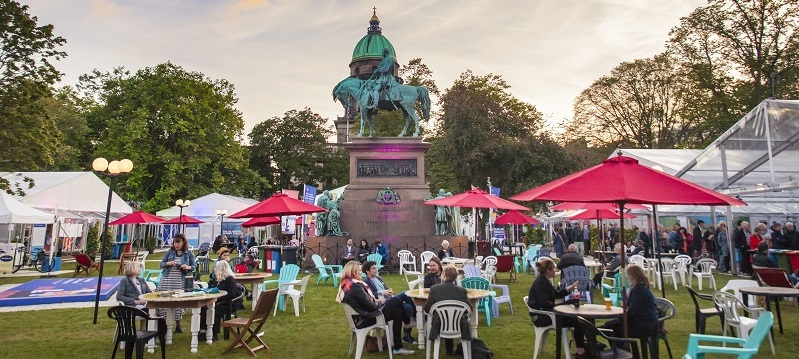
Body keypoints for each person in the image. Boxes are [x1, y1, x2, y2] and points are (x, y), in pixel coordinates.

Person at [336, 261, 415, 355]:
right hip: (367, 318)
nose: (361, 273)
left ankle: (398, 348)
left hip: (359, 318)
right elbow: (370, 306)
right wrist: (380, 302)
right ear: (353, 271)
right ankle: (407, 321)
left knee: (398, 311)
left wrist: (378, 301)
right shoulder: (356, 286)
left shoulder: (346, 284)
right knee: (396, 301)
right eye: (360, 270)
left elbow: (365, 303)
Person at [528, 257, 585, 358]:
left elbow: (557, 294)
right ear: (548, 271)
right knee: (578, 321)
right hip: (541, 317)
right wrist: (562, 304)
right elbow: (545, 303)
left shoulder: (546, 281)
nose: (555, 271)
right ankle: (580, 351)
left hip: (546, 313)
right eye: (553, 269)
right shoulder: (540, 283)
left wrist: (570, 288)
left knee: (578, 319)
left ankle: (582, 348)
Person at [603, 265, 659, 347]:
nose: (627, 277)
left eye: (627, 275)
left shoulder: (638, 290)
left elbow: (633, 311)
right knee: (609, 325)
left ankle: (621, 352)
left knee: (610, 328)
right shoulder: (640, 287)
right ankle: (620, 350)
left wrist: (621, 316)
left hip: (643, 325)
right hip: (646, 322)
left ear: (632, 276)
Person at [362, 261, 416, 344]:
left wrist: (388, 290)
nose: (376, 270)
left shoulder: (378, 278)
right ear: (367, 271)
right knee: (406, 293)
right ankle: (414, 317)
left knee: (408, 307)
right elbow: (370, 295)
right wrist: (383, 292)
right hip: (383, 303)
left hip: (389, 298)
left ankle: (406, 335)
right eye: (373, 268)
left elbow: (385, 288)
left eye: (376, 268)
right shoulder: (366, 281)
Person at [423, 265, 471, 356]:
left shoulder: (434, 289)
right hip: (458, 324)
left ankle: (446, 351)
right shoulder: (462, 290)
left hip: (440, 324)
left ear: (443, 274)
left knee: (441, 317)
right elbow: (469, 309)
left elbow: (427, 308)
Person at [158, 234, 196, 333]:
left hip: (180, 280)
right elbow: (161, 264)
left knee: (178, 304)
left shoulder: (188, 253)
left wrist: (186, 267)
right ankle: (164, 324)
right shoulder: (169, 252)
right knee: (164, 302)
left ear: (183, 242)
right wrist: (168, 263)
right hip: (168, 279)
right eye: (175, 242)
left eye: (178, 242)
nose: (176, 245)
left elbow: (194, 266)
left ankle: (178, 325)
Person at [207, 260, 244, 340]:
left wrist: (219, 296)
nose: (214, 269)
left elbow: (231, 294)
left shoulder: (229, 279)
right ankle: (204, 331)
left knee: (214, 309)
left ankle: (214, 333)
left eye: (216, 268)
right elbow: (208, 289)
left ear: (221, 269)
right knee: (203, 307)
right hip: (214, 301)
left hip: (226, 304)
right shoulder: (214, 279)